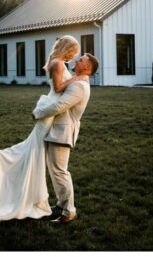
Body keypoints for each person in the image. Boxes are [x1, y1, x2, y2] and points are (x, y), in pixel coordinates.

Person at [0, 35, 89, 224]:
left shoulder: (61, 66)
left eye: (78, 56)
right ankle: (50, 201)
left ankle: (65, 208)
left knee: (53, 166)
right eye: (74, 52)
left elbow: (60, 97)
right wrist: (75, 78)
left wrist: (76, 80)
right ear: (66, 49)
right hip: (50, 117)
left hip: (57, 123)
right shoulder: (58, 64)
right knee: (40, 157)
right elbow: (59, 88)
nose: (75, 56)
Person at [33, 52, 97, 225]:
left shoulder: (80, 86)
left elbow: (60, 106)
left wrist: (39, 112)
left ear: (87, 67)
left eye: (81, 59)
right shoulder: (79, 82)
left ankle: (69, 211)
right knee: (56, 170)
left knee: (60, 171)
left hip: (63, 132)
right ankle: (62, 204)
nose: (77, 60)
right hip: (59, 131)